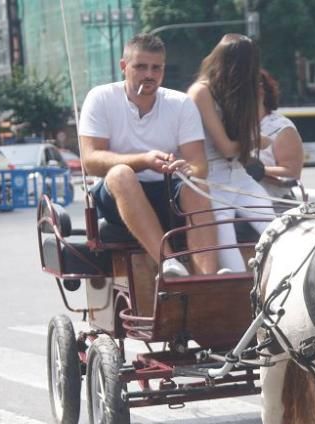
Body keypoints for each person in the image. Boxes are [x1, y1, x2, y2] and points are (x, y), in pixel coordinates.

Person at [78, 33, 218, 278]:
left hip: (168, 191)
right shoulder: (101, 98)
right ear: (124, 66)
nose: (149, 75)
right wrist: (144, 160)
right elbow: (90, 161)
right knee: (122, 174)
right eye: (141, 67)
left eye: (156, 68)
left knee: (196, 187)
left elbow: (199, 165)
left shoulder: (181, 103)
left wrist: (184, 168)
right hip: (117, 195)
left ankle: (207, 280)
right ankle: (168, 261)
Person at [188, 34, 273, 273]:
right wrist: (254, 141)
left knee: (277, 230)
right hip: (211, 181)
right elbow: (226, 147)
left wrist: (257, 101)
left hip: (237, 175)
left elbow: (249, 135)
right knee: (230, 256)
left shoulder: (234, 93)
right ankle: (239, 299)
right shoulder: (201, 92)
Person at [256, 69, 304, 213]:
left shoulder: (281, 127)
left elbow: (292, 172)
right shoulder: (232, 126)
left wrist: (259, 171)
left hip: (274, 205)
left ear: (260, 91)